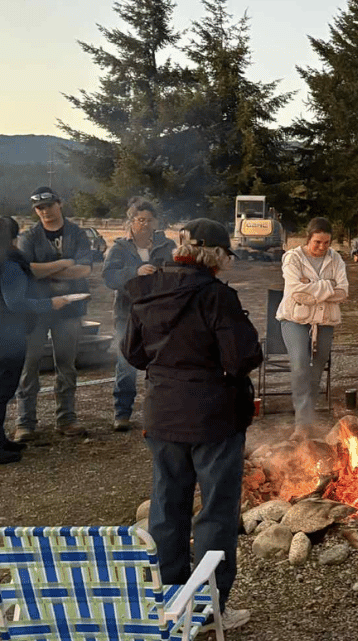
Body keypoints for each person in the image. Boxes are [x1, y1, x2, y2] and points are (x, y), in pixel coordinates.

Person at [122, 218, 261, 631]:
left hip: (164, 415)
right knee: (216, 513)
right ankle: (209, 606)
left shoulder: (148, 288)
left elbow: (133, 352)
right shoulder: (216, 297)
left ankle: (169, 598)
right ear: (216, 255)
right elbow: (241, 357)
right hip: (213, 419)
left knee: (167, 506)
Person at [0, 217, 69, 464]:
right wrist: (50, 303)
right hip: (1, 335)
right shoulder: (9, 265)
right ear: (14, 238)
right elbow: (16, 303)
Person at [13, 187, 94, 441]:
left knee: (67, 365)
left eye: (49, 205)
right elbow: (28, 271)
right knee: (29, 366)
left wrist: (44, 270)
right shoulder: (29, 237)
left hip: (69, 309)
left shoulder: (77, 233)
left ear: (60, 204)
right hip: (36, 309)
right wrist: (64, 263)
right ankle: (25, 423)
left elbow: (84, 271)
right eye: (39, 208)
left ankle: (66, 418)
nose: (45, 211)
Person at [102, 197, 176, 431]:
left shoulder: (167, 246)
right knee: (126, 364)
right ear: (131, 222)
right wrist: (135, 272)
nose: (144, 224)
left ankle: (159, 414)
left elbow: (177, 272)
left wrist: (161, 273)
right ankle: (122, 413)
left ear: (156, 223)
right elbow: (109, 278)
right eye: (139, 219)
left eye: (149, 220)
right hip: (128, 314)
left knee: (160, 365)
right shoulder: (119, 248)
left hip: (159, 313)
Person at [277, 217, 348, 439]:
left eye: (326, 243)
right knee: (300, 365)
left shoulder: (336, 259)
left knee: (316, 370)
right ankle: (301, 424)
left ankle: (308, 420)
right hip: (294, 320)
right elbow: (295, 291)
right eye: (317, 242)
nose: (322, 247)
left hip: (324, 321)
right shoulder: (293, 258)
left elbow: (344, 291)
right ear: (308, 239)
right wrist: (328, 287)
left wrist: (312, 288)